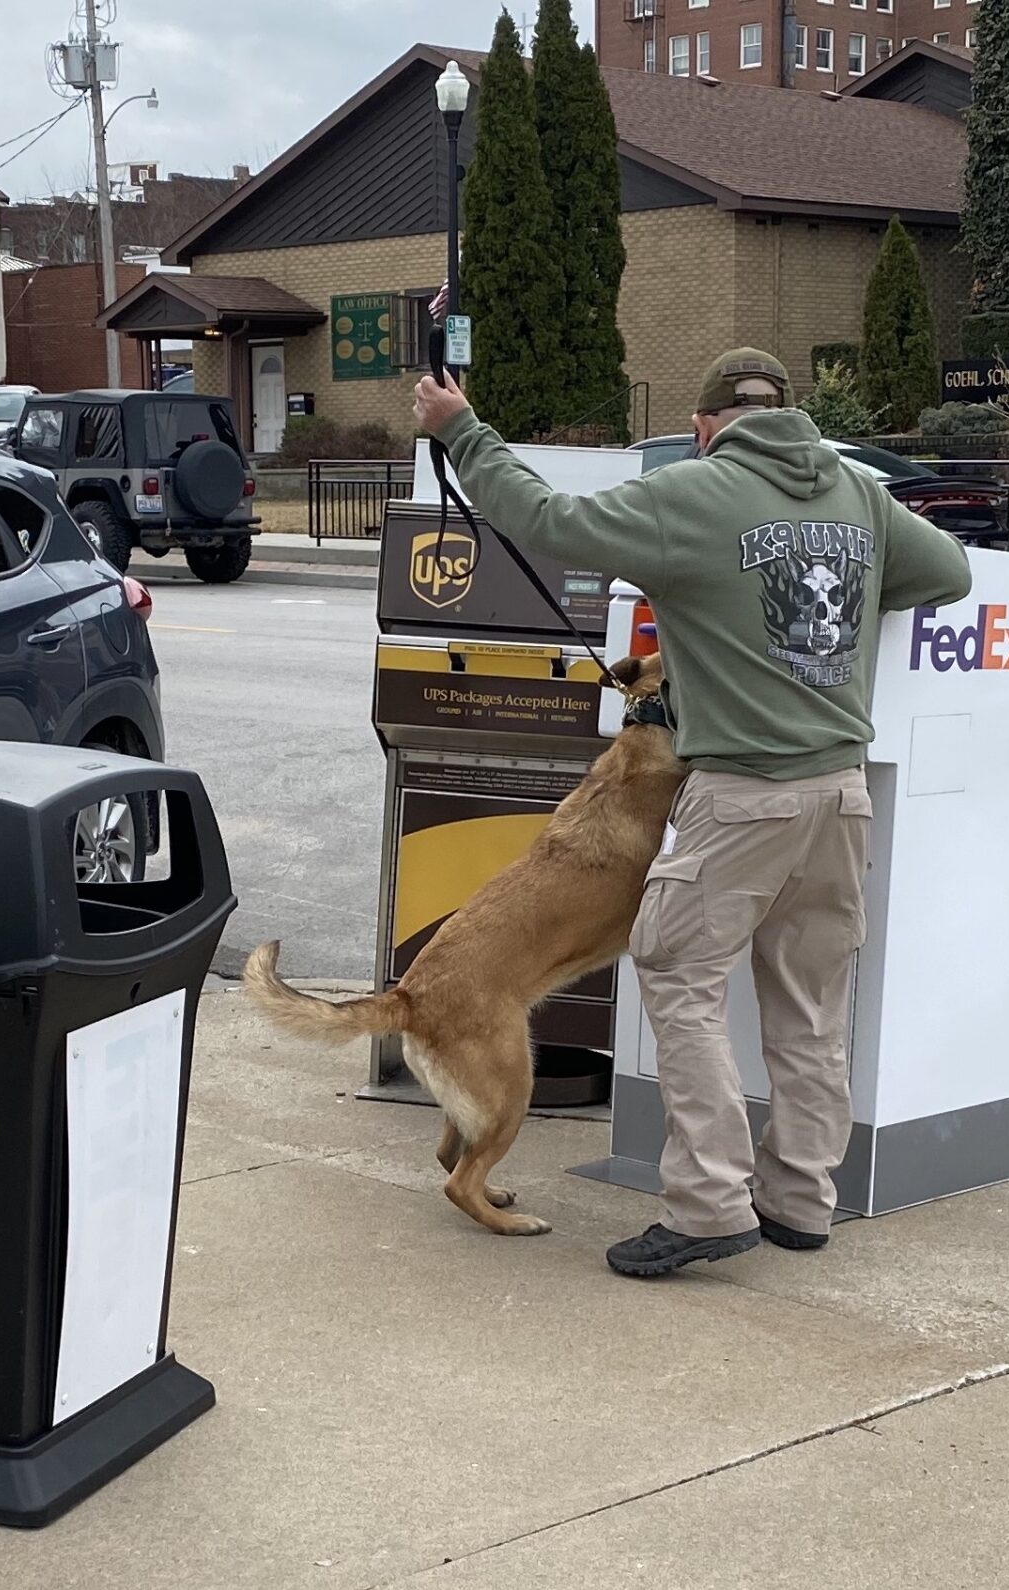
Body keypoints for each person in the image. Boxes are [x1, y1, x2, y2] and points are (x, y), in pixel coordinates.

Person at [413, 348, 973, 1277]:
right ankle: (800, 1201)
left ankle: (711, 1205)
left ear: (707, 424)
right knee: (810, 1004)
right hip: (840, 797)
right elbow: (947, 571)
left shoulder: (695, 494)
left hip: (744, 797)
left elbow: (548, 519)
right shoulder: (857, 493)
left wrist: (461, 432)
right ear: (790, 413)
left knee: (676, 973)